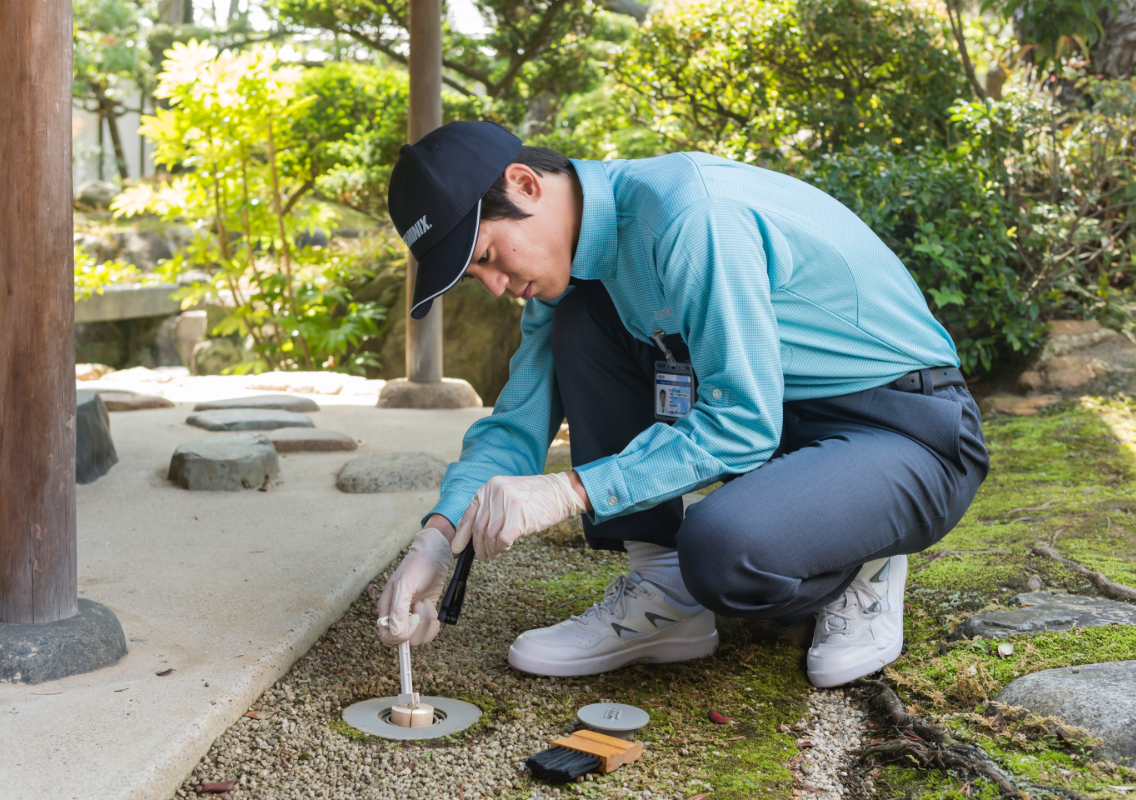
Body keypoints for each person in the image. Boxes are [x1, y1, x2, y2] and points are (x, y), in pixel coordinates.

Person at [376, 121, 989, 688]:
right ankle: (664, 590)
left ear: (525, 184)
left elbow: (742, 422)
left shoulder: (692, 219)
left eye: (484, 256)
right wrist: (437, 535)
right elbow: (516, 423)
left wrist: (568, 491)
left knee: (722, 552)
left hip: (903, 428)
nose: (494, 285)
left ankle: (864, 558)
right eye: (472, 276)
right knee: (583, 322)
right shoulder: (567, 271)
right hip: (787, 426)